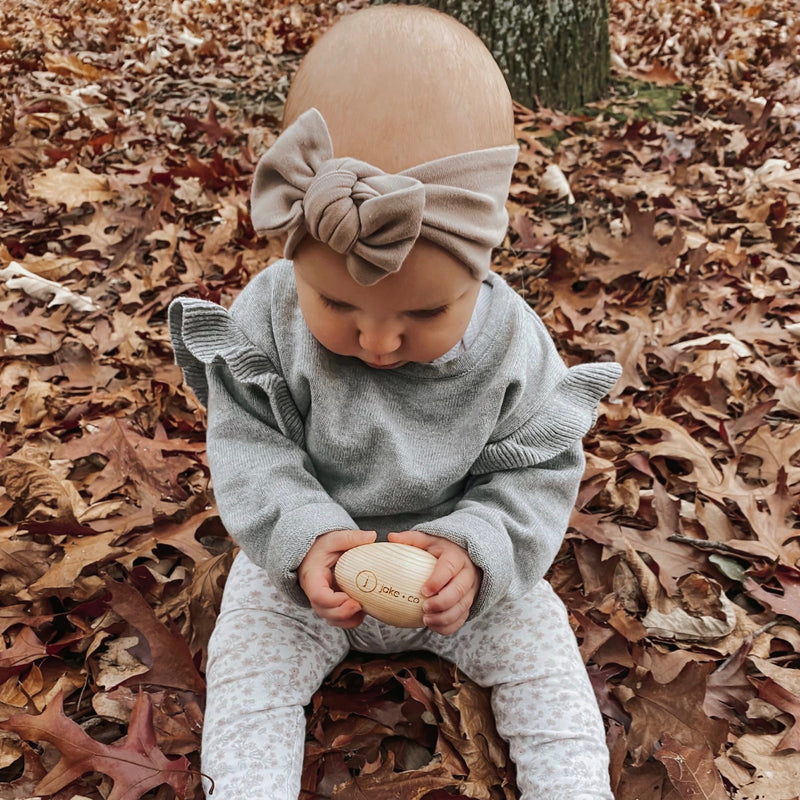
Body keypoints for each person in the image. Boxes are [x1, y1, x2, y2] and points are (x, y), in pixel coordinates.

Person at [168, 5, 622, 798]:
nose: (378, 342)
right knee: (244, 674)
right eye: (337, 306)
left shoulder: (514, 348)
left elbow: (536, 470)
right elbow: (252, 446)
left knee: (547, 662)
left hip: (463, 582)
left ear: (481, 265)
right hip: (300, 577)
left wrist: (479, 549)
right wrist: (304, 538)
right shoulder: (268, 320)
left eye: (422, 315)